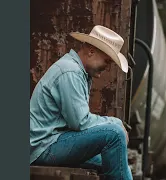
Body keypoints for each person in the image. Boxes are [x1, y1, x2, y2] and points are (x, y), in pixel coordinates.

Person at [30, 25, 133, 180]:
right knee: (115, 133)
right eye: (107, 61)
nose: (106, 68)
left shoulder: (77, 71)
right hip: (43, 147)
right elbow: (80, 122)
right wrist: (115, 122)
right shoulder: (70, 71)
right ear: (91, 51)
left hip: (52, 142)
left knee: (113, 160)